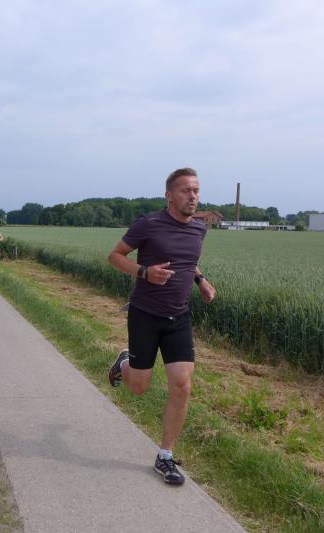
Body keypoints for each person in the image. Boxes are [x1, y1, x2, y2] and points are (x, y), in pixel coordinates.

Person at [106, 167, 216, 485]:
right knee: (139, 387)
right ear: (169, 195)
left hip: (178, 317)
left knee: (182, 385)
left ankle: (165, 456)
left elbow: (188, 260)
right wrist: (144, 272)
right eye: (186, 190)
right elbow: (115, 255)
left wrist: (201, 281)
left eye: (196, 190)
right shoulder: (149, 223)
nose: (193, 196)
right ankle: (123, 363)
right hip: (145, 314)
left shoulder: (199, 228)